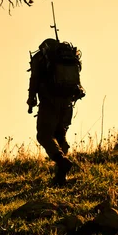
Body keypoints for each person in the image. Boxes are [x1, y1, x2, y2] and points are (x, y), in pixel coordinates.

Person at [27, 38, 85, 185]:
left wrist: (31, 99)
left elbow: (34, 80)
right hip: (67, 104)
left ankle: (61, 160)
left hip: (49, 103)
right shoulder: (68, 57)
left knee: (44, 135)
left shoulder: (40, 58)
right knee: (60, 136)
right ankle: (61, 177)